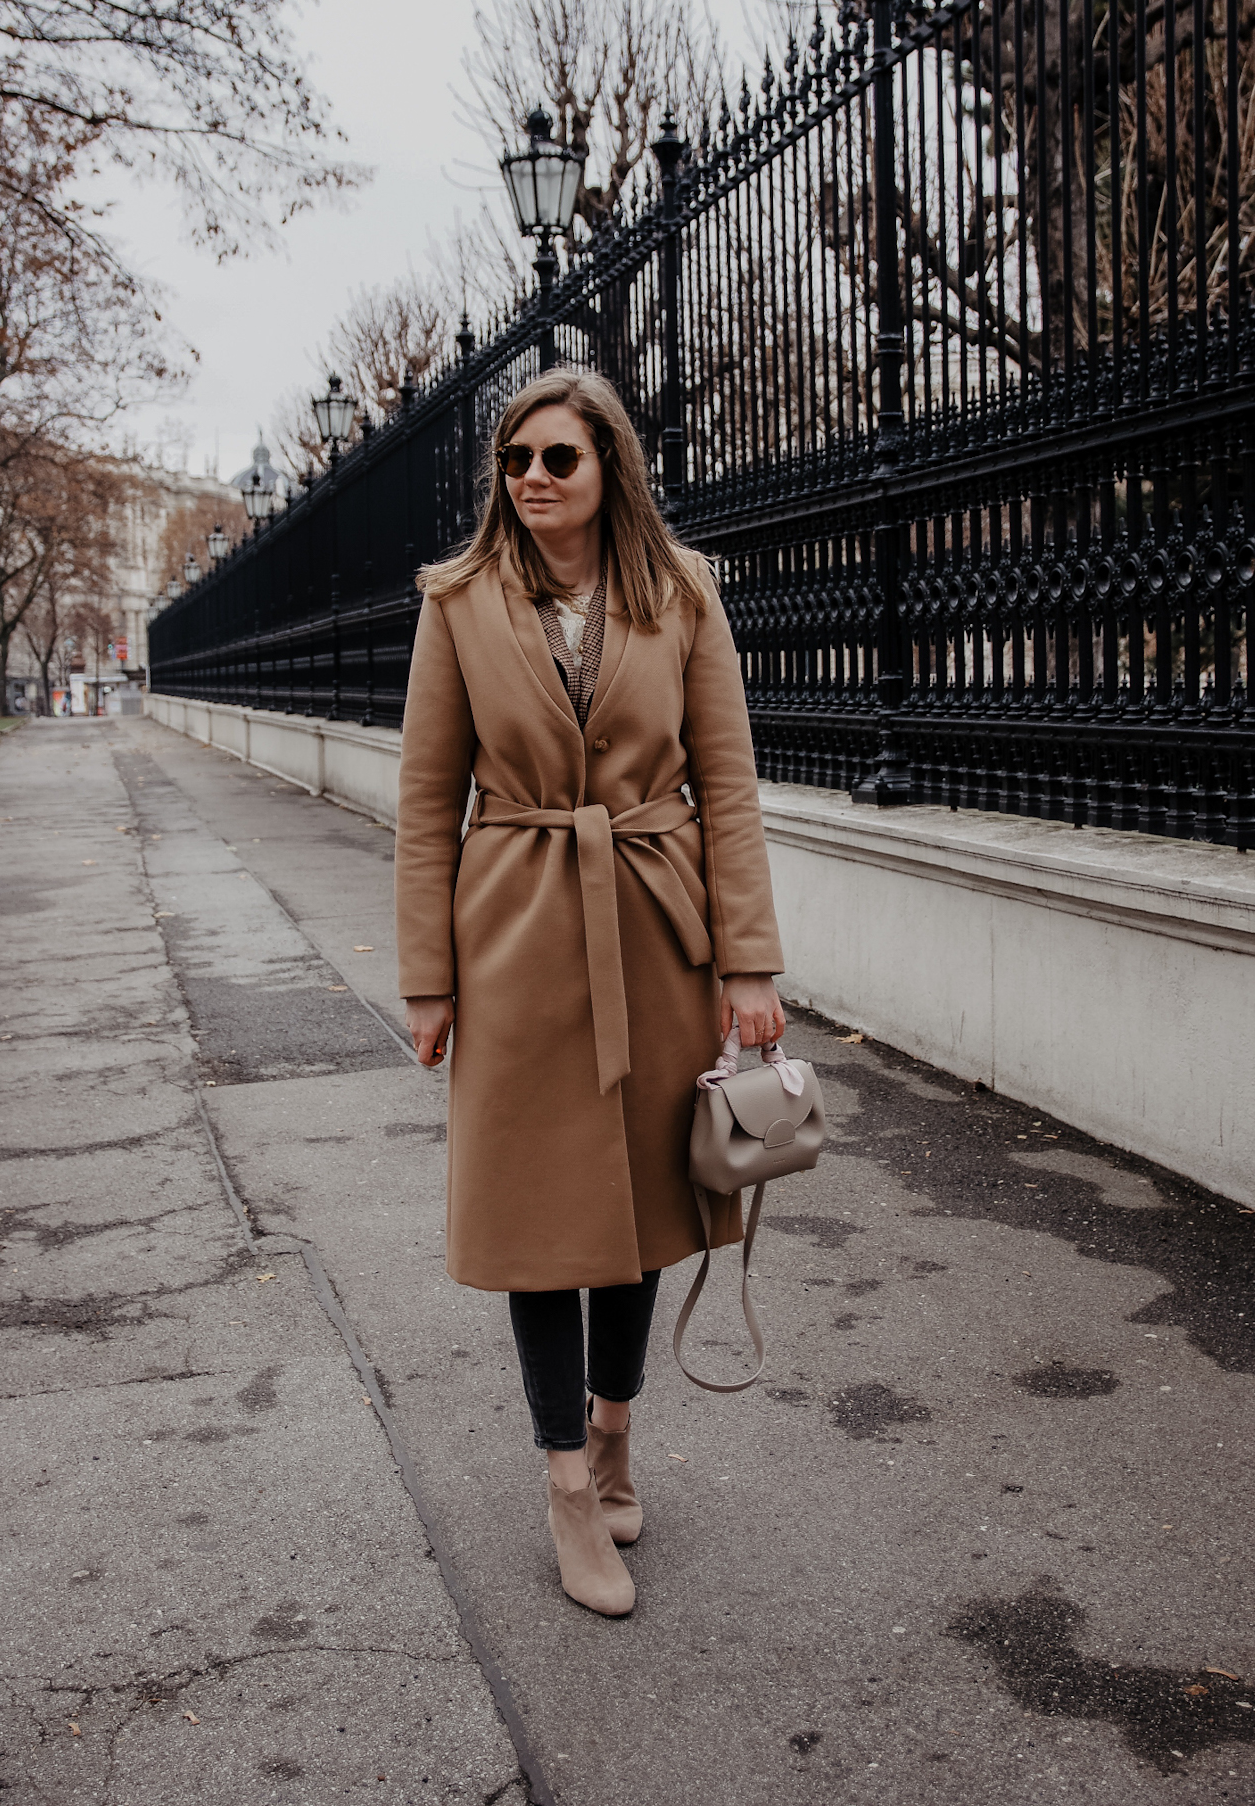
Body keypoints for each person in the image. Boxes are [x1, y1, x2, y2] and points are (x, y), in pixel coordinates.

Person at [395, 368, 784, 1618]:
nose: (534, 479)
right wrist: (427, 979)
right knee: (535, 1223)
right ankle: (567, 1481)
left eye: (558, 456)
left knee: (635, 1210)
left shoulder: (682, 594)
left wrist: (750, 963)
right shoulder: (457, 603)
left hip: (655, 927)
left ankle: (614, 1426)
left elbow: (726, 784)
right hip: (512, 934)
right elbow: (422, 800)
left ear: (607, 464)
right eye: (515, 460)